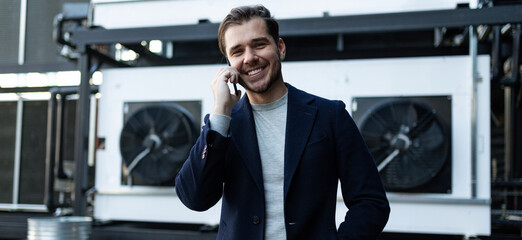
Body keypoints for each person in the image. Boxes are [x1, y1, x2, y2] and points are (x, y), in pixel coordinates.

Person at [175, 5, 390, 240]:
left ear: (280, 48)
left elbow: (371, 202)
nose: (249, 58)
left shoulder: (330, 115)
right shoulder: (223, 124)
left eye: (259, 45)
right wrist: (220, 112)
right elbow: (194, 199)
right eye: (237, 51)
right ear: (228, 63)